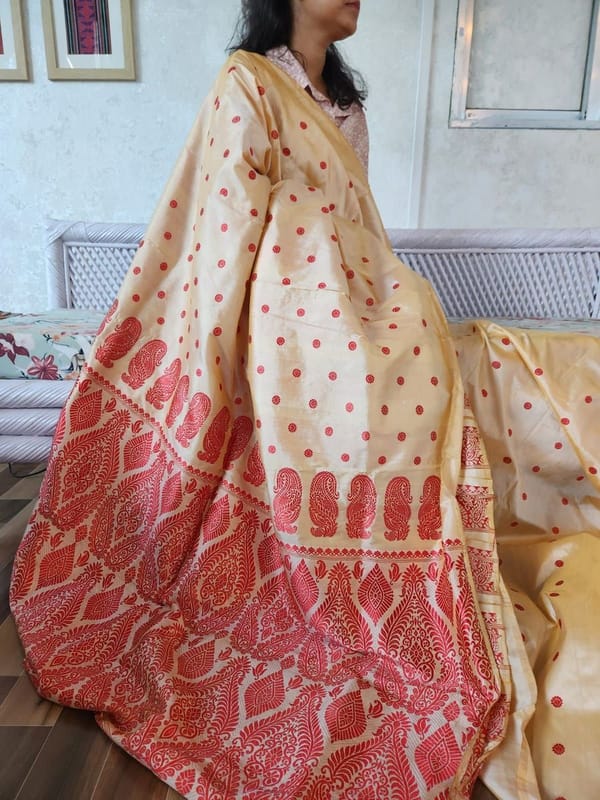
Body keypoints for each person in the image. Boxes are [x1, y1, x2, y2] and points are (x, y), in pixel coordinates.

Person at [10, 2, 533, 798]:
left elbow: (363, 230)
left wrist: (372, 292)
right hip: (270, 318)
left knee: (410, 378)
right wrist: (315, 246)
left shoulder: (346, 106)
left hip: (339, 312)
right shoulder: (247, 83)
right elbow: (226, 217)